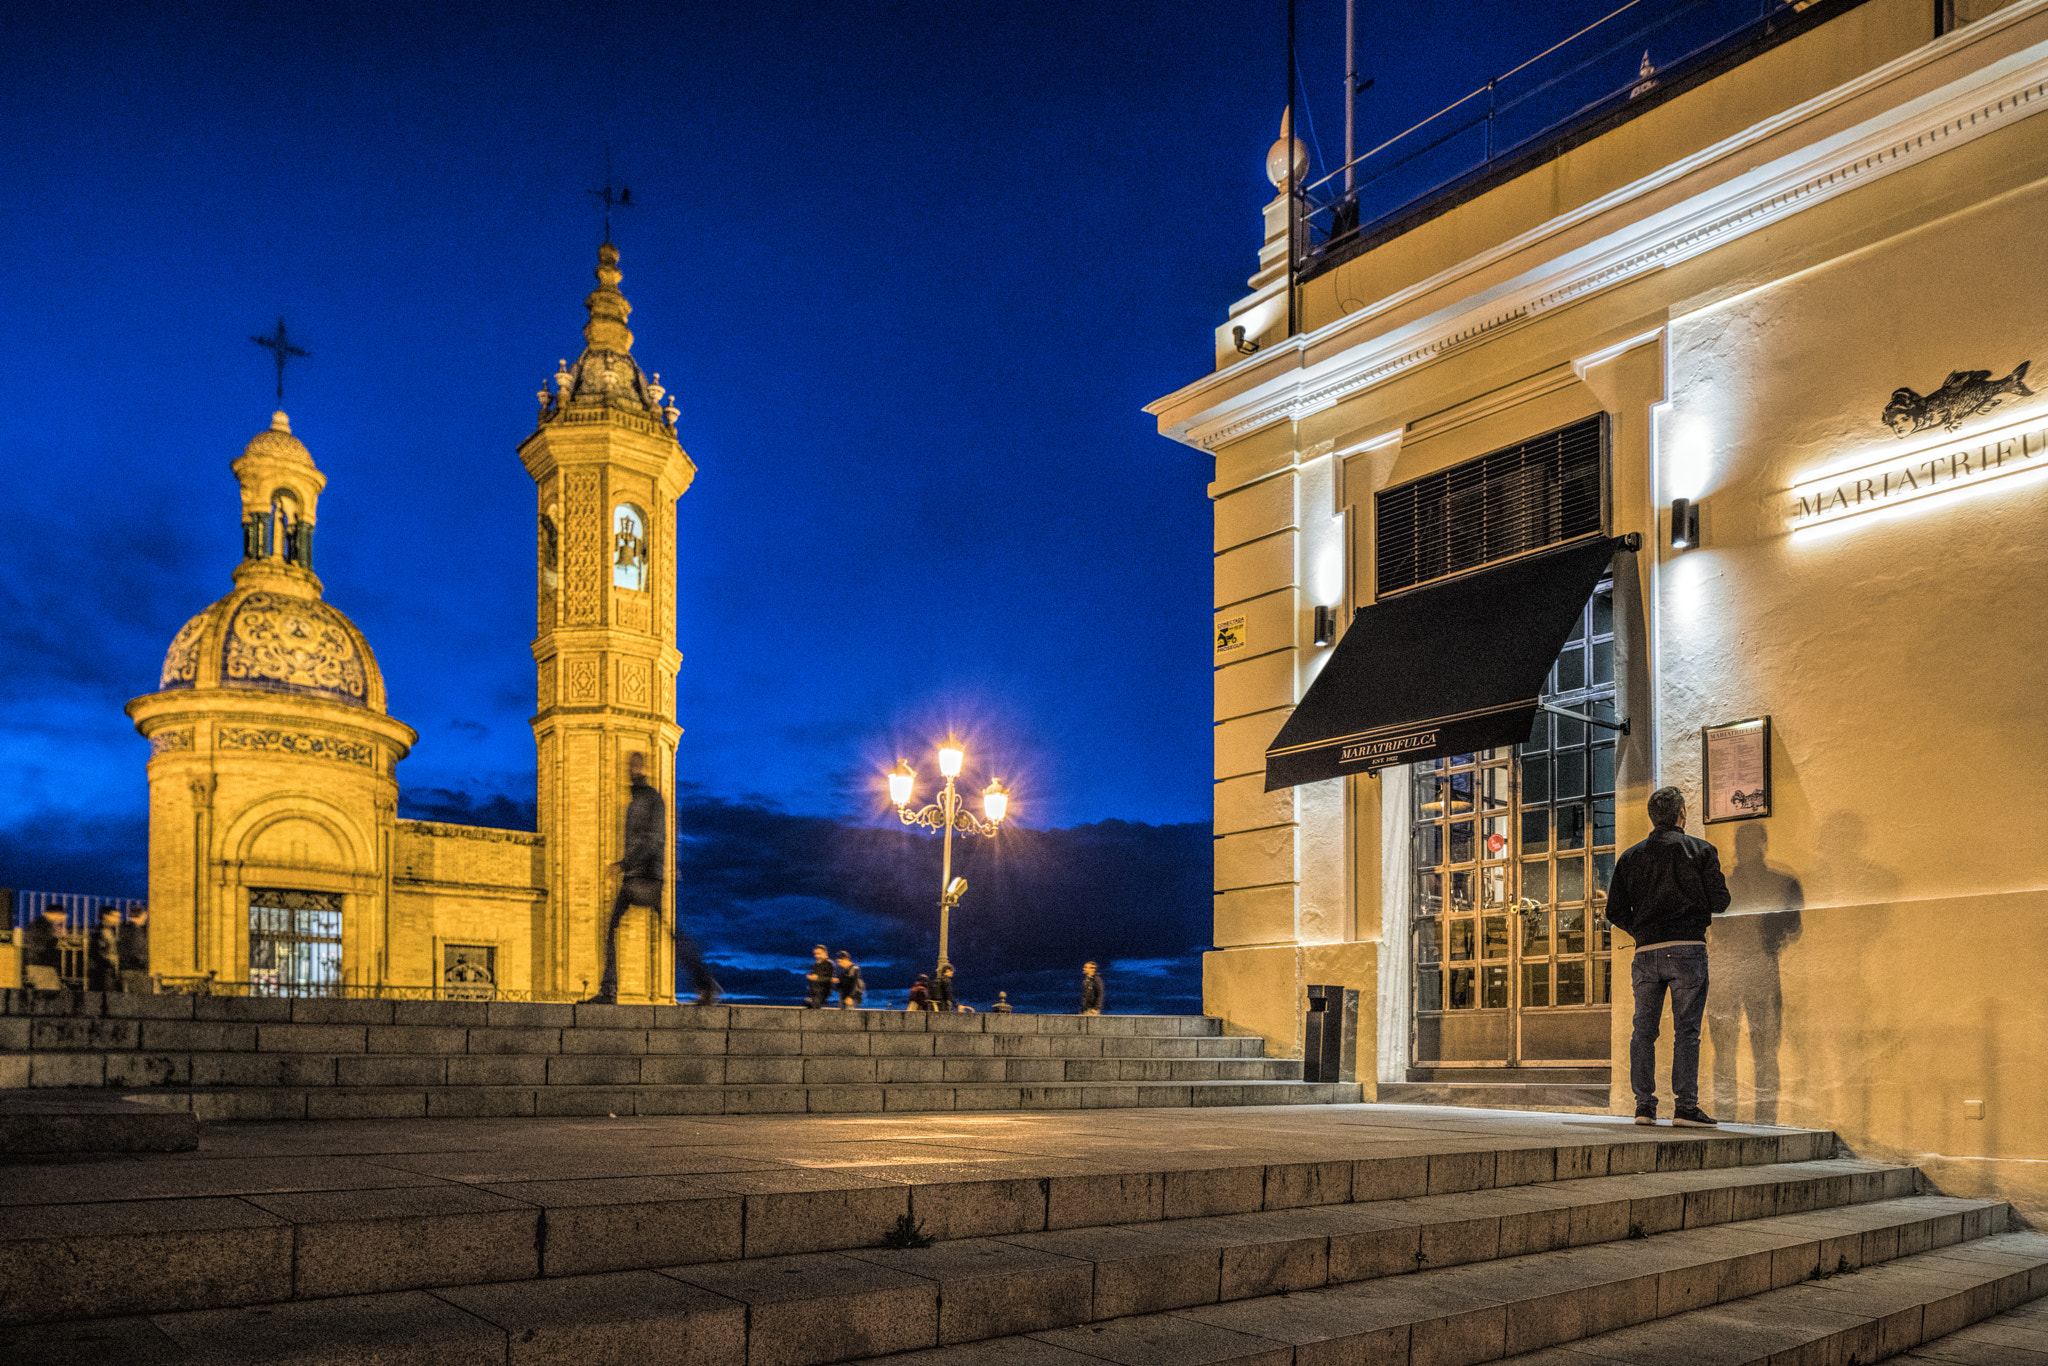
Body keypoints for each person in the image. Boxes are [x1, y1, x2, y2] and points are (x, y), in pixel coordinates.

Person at [1604, 785, 1731, 1128]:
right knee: (1686, 1030)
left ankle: (1644, 1107)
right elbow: (1720, 901)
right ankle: (1685, 1107)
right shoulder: (1702, 851)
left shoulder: (1630, 857)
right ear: (1682, 814)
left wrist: (1642, 930)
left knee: (1643, 1030)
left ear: (1652, 817)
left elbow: (1614, 910)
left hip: (1646, 952)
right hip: (1688, 948)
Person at [590, 751, 720, 1006]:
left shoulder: (647, 799)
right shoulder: (642, 798)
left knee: (620, 928)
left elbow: (653, 839)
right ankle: (706, 983)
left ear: (638, 768)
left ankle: (608, 991)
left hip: (642, 876)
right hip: (644, 874)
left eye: (632, 765)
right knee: (667, 930)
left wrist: (623, 864)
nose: (629, 769)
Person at [22, 907, 65, 991]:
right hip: (41, 965)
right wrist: (54, 936)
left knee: (47, 993)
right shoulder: (42, 926)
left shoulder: (41, 924)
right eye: (62, 915)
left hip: (39, 964)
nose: (63, 919)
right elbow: (41, 947)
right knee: (48, 992)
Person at [118, 906, 152, 993]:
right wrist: (147, 962)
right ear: (142, 915)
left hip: (128, 970)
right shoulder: (136, 931)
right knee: (142, 999)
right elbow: (137, 952)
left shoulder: (125, 929)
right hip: (137, 972)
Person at [88, 908, 121, 993]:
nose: (118, 919)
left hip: (103, 970)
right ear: (105, 916)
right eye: (115, 916)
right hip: (103, 971)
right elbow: (98, 952)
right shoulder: (102, 931)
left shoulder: (105, 930)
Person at [803, 944, 834, 1009]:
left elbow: (831, 978)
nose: (816, 956)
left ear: (825, 953)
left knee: (815, 1008)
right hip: (813, 992)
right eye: (815, 954)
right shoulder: (816, 964)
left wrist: (817, 978)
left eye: (818, 953)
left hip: (822, 992)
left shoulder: (829, 964)